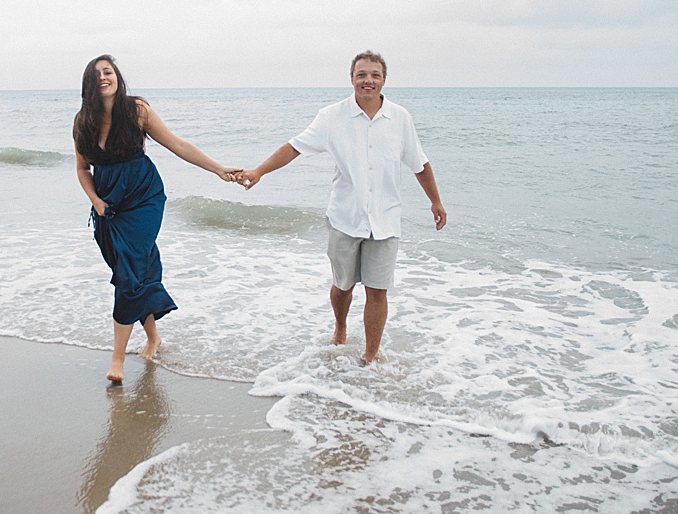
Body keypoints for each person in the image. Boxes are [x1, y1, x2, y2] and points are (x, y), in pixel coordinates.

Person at [236, 50, 446, 364]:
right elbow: (294, 147)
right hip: (345, 217)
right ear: (352, 79)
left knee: (378, 290)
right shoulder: (331, 117)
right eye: (362, 74)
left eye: (375, 75)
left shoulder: (400, 118)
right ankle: (340, 326)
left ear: (384, 80)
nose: (368, 81)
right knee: (343, 285)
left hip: (386, 220)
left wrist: (435, 201)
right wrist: (259, 171)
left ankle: (370, 357)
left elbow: (419, 163)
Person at [74, 54, 239, 383]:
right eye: (96, 75)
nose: (103, 77)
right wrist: (96, 201)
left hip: (144, 199)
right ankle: (153, 337)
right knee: (135, 273)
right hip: (108, 207)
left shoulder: (137, 111)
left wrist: (219, 169)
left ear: (117, 77)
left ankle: (117, 360)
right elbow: (82, 169)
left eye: (108, 72)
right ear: (88, 85)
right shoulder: (83, 121)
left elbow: (178, 145)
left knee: (128, 272)